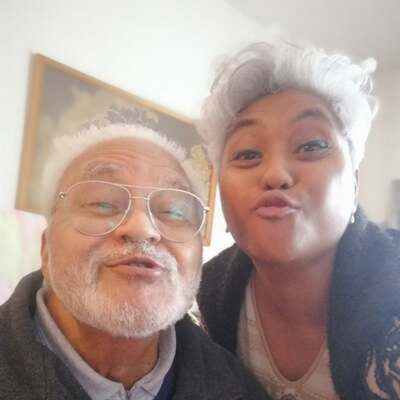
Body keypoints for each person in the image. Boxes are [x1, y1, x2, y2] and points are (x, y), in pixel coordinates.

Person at [0, 123, 269, 400]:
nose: (142, 229)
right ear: (46, 249)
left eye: (174, 212)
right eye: (102, 204)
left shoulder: (241, 389)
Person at [197, 40, 400, 399]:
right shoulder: (209, 294)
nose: (276, 174)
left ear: (354, 182)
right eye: (247, 153)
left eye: (311, 146)